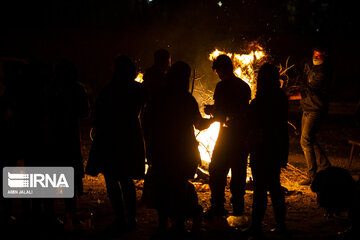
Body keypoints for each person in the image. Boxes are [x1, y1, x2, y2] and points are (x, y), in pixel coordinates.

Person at [145, 61, 211, 234]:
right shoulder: (186, 99)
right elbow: (199, 124)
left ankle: (163, 224)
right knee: (179, 187)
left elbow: (148, 122)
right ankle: (180, 223)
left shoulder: (158, 96)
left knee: (163, 188)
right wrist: (213, 119)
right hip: (182, 150)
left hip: (162, 149)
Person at [88, 55, 145, 233]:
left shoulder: (109, 90)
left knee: (112, 178)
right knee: (126, 179)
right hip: (130, 135)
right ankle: (131, 218)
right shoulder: (139, 89)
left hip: (111, 137)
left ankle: (121, 217)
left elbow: (97, 117)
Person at [45, 59, 90, 229]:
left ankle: (51, 215)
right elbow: (85, 111)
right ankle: (70, 214)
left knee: (52, 176)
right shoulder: (75, 88)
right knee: (67, 178)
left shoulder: (50, 87)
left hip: (52, 138)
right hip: (67, 138)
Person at [204, 54, 251, 217]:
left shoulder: (222, 87)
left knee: (217, 169)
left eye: (218, 71)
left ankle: (217, 206)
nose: (218, 74)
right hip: (242, 134)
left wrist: (210, 111)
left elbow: (220, 112)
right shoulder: (245, 86)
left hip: (227, 133)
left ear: (222, 70)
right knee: (238, 172)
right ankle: (238, 208)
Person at [247, 63, 288, 236]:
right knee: (274, 186)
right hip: (274, 147)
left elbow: (255, 123)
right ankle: (280, 226)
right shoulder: (280, 97)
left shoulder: (261, 100)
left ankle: (256, 226)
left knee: (262, 189)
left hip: (263, 148)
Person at [296, 46, 332, 185]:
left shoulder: (323, 73)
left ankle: (312, 175)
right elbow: (298, 69)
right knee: (308, 139)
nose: (315, 58)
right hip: (307, 107)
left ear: (325, 56)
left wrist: (288, 94)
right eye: (314, 55)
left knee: (305, 140)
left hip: (316, 109)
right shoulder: (309, 65)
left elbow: (308, 90)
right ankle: (325, 167)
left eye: (319, 56)